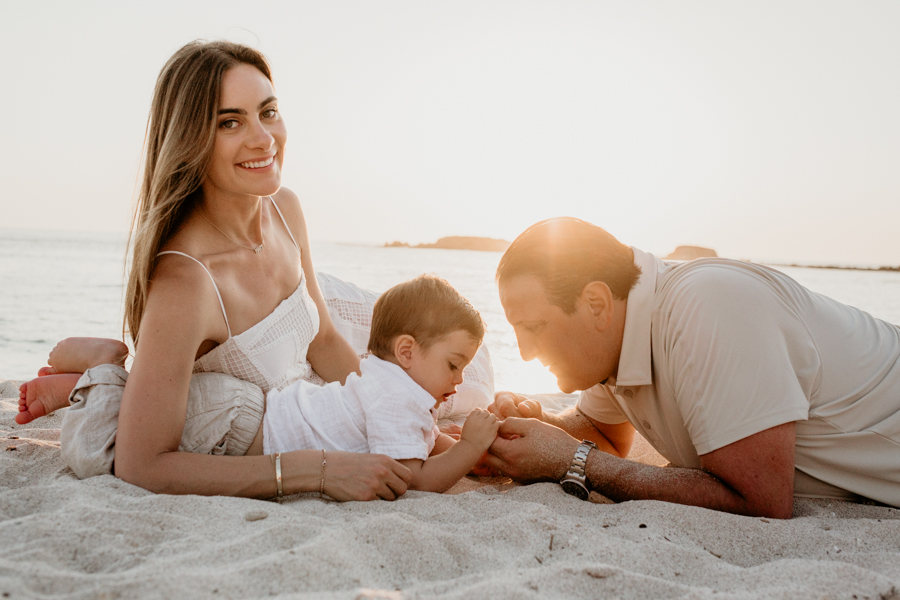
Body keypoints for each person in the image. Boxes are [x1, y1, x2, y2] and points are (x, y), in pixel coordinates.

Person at [15, 40, 412, 501]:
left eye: (268, 112)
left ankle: (119, 375)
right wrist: (318, 471)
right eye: (230, 122)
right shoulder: (187, 282)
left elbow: (322, 340)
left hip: (298, 376)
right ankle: (103, 372)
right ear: (190, 141)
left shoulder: (285, 209)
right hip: (223, 408)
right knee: (104, 443)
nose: (263, 139)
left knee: (435, 369)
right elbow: (142, 465)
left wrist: (401, 418)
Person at [484, 217, 900, 518]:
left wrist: (571, 461)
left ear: (596, 303)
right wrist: (533, 429)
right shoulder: (615, 335)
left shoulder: (708, 307)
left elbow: (760, 499)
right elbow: (604, 434)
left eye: (534, 327)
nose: (524, 352)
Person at [258, 274, 499, 493]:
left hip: (271, 415)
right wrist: (469, 446)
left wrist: (474, 457)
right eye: (453, 365)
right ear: (406, 352)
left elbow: (430, 440)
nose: (460, 379)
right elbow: (416, 480)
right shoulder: (395, 398)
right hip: (260, 432)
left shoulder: (394, 382)